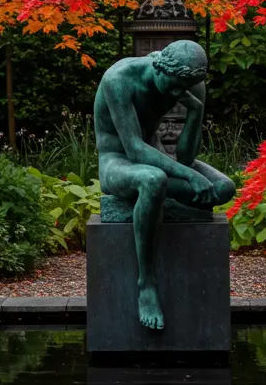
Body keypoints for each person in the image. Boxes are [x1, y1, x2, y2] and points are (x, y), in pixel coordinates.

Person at [94, 40, 236, 329]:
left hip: (158, 159)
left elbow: (186, 156)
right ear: (159, 66)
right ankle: (146, 284)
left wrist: (195, 111)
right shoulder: (119, 78)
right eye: (172, 85)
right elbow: (134, 149)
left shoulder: (190, 84)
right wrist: (189, 175)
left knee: (224, 189)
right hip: (118, 163)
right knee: (152, 179)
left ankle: (158, 206)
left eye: (182, 88)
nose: (175, 94)